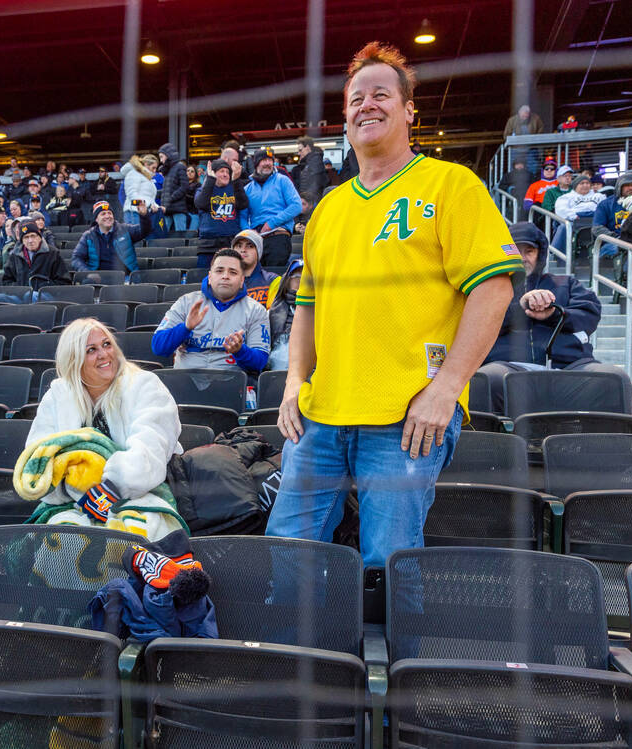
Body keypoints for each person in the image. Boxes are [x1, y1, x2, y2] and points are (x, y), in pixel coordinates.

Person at [266, 42, 520, 570]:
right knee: (285, 552)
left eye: (382, 94)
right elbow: (306, 307)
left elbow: (494, 290)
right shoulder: (328, 209)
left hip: (407, 413)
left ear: (409, 110)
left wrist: (446, 389)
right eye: (356, 98)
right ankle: (290, 653)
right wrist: (294, 381)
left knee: (389, 563)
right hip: (321, 414)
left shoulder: (452, 183)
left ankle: (384, 656)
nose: (367, 105)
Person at [26, 317, 184, 539]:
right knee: (60, 536)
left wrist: (109, 490)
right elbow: (39, 455)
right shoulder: (58, 395)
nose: (103, 354)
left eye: (107, 344)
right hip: (73, 500)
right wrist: (72, 490)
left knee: (132, 532)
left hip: (140, 493)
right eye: (91, 350)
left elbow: (151, 446)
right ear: (74, 360)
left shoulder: (144, 385)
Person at [476, 223, 618, 413]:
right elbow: (479, 323)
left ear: (540, 254)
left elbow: (589, 314)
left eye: (529, 251)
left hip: (568, 366)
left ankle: (611, 442)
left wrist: (554, 314)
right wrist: (521, 307)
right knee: (487, 378)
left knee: (613, 377)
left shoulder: (567, 284)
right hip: (507, 366)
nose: (523, 258)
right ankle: (493, 442)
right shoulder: (492, 289)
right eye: (516, 250)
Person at [151, 248, 270, 374]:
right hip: (185, 382)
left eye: (233, 272)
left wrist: (240, 350)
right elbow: (158, 347)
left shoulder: (256, 310)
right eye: (219, 271)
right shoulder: (186, 302)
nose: (225, 276)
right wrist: (185, 328)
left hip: (231, 384)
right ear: (209, 276)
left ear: (242, 281)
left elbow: (260, 362)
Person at [243, 149, 304, 266]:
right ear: (256, 164)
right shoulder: (248, 189)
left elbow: (296, 205)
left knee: (274, 277)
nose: (267, 163)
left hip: (278, 236)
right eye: (263, 160)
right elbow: (243, 215)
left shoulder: (282, 180)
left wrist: (272, 223)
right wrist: (248, 233)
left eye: (270, 160)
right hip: (255, 240)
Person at [194, 158, 249, 264]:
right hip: (208, 244)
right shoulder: (204, 189)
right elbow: (201, 204)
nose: (225, 174)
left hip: (231, 242)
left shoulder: (235, 187)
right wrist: (210, 180)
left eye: (227, 172)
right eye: (221, 171)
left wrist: (236, 181)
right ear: (213, 173)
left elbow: (243, 204)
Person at [70, 201, 151, 274]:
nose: (107, 216)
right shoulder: (88, 236)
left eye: (109, 213)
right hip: (98, 279)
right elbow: (76, 258)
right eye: (103, 214)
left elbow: (144, 231)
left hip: (126, 277)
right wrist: (88, 273)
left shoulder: (125, 229)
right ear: (96, 219)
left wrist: (144, 216)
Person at [265, 258, 304, 370]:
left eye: (306, 277)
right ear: (287, 281)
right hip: (276, 374)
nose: (301, 281)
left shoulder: (320, 314)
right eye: (297, 276)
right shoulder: (270, 314)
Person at [231, 229, 277, 304]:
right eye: (239, 246)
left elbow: (275, 313)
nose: (243, 250)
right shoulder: (225, 280)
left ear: (258, 252)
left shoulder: (272, 280)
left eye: (250, 246)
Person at [157, 142, 190, 232]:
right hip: (167, 208)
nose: (161, 160)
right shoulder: (167, 170)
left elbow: (184, 186)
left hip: (178, 209)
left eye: (161, 157)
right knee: (163, 234)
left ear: (168, 155)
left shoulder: (180, 167)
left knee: (181, 234)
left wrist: (171, 198)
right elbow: (166, 189)